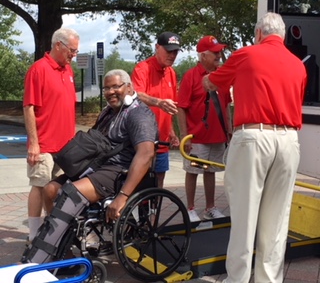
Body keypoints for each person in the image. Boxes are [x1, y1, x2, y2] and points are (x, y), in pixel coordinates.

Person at [203, 12, 307, 283]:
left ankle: (236, 279)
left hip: (253, 137)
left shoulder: (247, 54)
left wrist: (207, 77)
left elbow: (212, 83)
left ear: (259, 33)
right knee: (277, 221)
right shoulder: (299, 65)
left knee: (244, 216)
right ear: (282, 36)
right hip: (288, 140)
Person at [21, 69, 158, 264]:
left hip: (120, 171)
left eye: (116, 86)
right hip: (99, 165)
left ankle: (38, 261)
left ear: (129, 87)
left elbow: (146, 154)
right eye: (107, 88)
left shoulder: (138, 115)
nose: (111, 92)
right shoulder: (108, 112)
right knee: (50, 190)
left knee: (71, 193)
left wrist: (122, 197)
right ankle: (62, 250)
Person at [23, 28, 79, 242]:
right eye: (71, 50)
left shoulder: (69, 70)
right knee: (39, 186)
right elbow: (28, 107)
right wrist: (34, 144)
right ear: (58, 45)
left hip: (66, 145)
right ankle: (34, 234)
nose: (73, 54)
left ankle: (52, 229)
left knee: (57, 189)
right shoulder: (38, 70)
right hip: (44, 144)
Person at [177, 36, 232, 222]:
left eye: (219, 51)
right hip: (197, 136)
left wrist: (229, 130)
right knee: (193, 172)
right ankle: (190, 208)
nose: (219, 55)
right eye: (215, 52)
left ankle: (210, 207)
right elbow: (181, 107)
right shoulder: (191, 76)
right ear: (203, 55)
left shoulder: (222, 75)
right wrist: (185, 136)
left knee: (211, 172)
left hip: (217, 136)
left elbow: (225, 105)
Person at [131, 31, 180, 188]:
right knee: (141, 181)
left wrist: (172, 132)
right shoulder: (143, 68)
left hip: (162, 139)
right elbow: (136, 94)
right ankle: (135, 211)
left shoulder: (171, 73)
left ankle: (154, 213)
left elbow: (169, 107)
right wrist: (158, 102)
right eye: (168, 51)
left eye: (175, 52)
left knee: (159, 181)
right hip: (143, 138)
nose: (172, 55)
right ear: (157, 47)